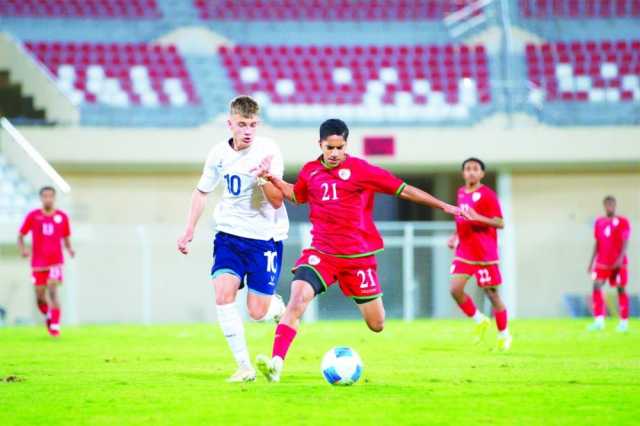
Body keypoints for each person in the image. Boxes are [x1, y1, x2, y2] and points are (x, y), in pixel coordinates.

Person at [253, 118, 463, 382]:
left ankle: (281, 350)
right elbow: (297, 196)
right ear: (320, 145)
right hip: (322, 254)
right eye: (329, 148)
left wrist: (444, 206)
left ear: (346, 145)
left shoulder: (361, 170)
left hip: (357, 259)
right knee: (297, 302)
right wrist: (272, 179)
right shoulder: (310, 171)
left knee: (377, 324)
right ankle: (276, 365)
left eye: (339, 147)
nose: (334, 153)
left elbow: (404, 190)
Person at [177, 96, 288, 382]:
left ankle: (276, 307)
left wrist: (265, 178)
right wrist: (189, 229)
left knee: (257, 312)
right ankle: (244, 367)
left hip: (264, 239)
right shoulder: (218, 154)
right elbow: (202, 191)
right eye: (242, 124)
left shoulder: (269, 151)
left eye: (252, 124)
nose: (248, 130)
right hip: (228, 236)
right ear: (230, 124)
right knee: (223, 294)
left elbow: (277, 202)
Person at [447, 157, 512, 350]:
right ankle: (479, 319)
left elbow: (500, 222)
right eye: (467, 169)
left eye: (475, 169)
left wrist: (478, 217)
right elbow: (461, 220)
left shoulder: (488, 195)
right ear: (463, 173)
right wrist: (454, 236)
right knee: (455, 289)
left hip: (485, 254)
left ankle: (504, 334)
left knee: (492, 296)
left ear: (482, 173)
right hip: (465, 251)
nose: (471, 172)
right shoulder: (461, 193)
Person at [18, 186, 74, 337]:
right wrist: (23, 249)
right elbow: (21, 235)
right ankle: (48, 315)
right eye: (45, 196)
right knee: (40, 297)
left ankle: (55, 326)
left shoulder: (62, 217)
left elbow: (66, 236)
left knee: (53, 291)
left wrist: (69, 249)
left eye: (50, 196)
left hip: (55, 261)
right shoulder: (33, 216)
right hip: (38, 263)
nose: (48, 199)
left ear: (54, 198)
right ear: (41, 198)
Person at [587, 195, 631, 332]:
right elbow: (597, 242)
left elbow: (625, 241)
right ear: (604, 206)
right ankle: (599, 320)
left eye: (611, 204)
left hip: (618, 263)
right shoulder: (599, 222)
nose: (609, 206)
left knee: (620, 289)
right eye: (607, 204)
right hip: (602, 263)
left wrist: (620, 258)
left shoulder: (623, 221)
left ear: (615, 205)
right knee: (596, 285)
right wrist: (591, 261)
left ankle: (623, 322)